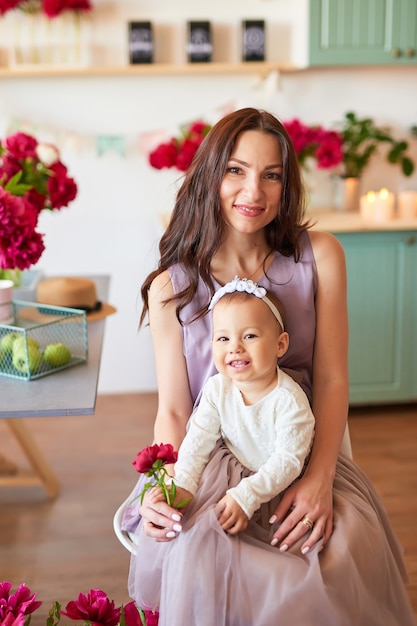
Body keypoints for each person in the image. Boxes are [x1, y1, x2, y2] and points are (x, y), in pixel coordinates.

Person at [124, 107, 416, 625]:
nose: (252, 191)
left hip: (299, 450)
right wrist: (164, 488)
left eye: (271, 174)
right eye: (235, 170)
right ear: (210, 176)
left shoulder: (319, 256)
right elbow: (174, 408)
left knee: (341, 549)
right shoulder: (172, 286)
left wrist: (320, 478)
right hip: (210, 456)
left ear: (287, 185)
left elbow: (330, 379)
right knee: (203, 553)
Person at [171, 278, 315, 535]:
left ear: (280, 344)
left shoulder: (289, 401)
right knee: (200, 532)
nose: (235, 348)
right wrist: (184, 483)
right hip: (226, 474)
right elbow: (198, 439)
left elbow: (288, 460)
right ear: (212, 345)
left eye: (249, 336)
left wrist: (248, 494)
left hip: (275, 486)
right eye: (223, 338)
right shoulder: (218, 389)